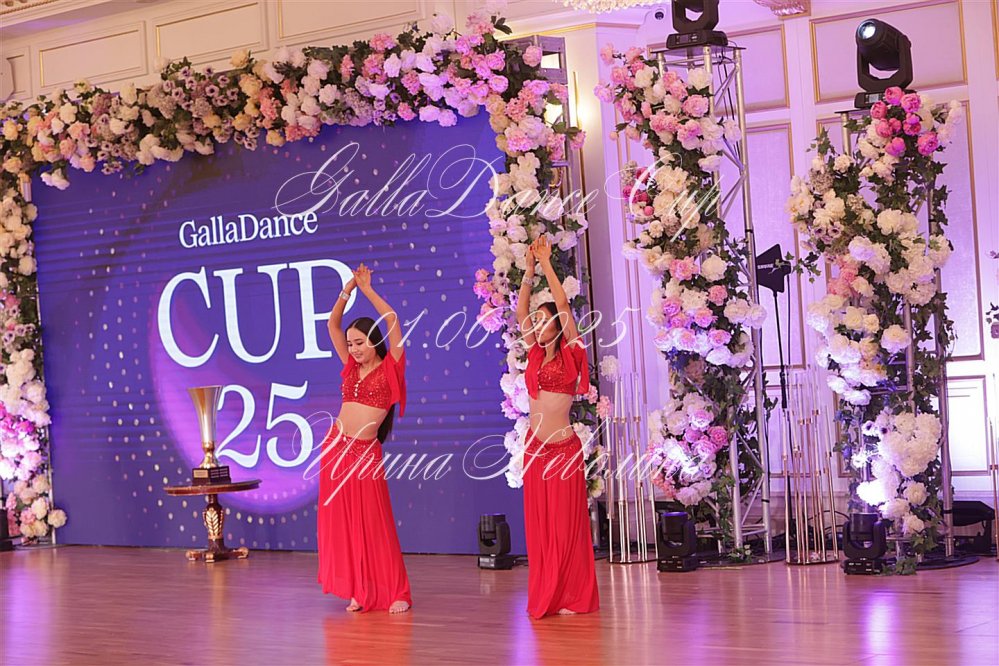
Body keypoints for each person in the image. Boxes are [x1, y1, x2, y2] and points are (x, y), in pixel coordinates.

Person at [316, 263, 412, 614]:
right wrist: (347, 290)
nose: (354, 349)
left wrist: (367, 289)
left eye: (359, 343)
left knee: (375, 522)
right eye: (351, 344)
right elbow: (332, 325)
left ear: (374, 341)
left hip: (364, 453)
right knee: (345, 524)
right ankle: (359, 589)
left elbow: (393, 320)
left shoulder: (391, 368)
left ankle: (397, 592)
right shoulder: (350, 368)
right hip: (335, 449)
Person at [516, 235, 599, 619]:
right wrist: (528, 271)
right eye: (535, 321)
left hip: (563, 450)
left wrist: (547, 263)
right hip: (535, 448)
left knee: (566, 526)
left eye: (542, 319)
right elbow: (520, 312)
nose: (536, 324)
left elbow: (563, 306)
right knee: (541, 528)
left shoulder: (572, 351)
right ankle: (548, 593)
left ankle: (572, 594)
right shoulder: (534, 353)